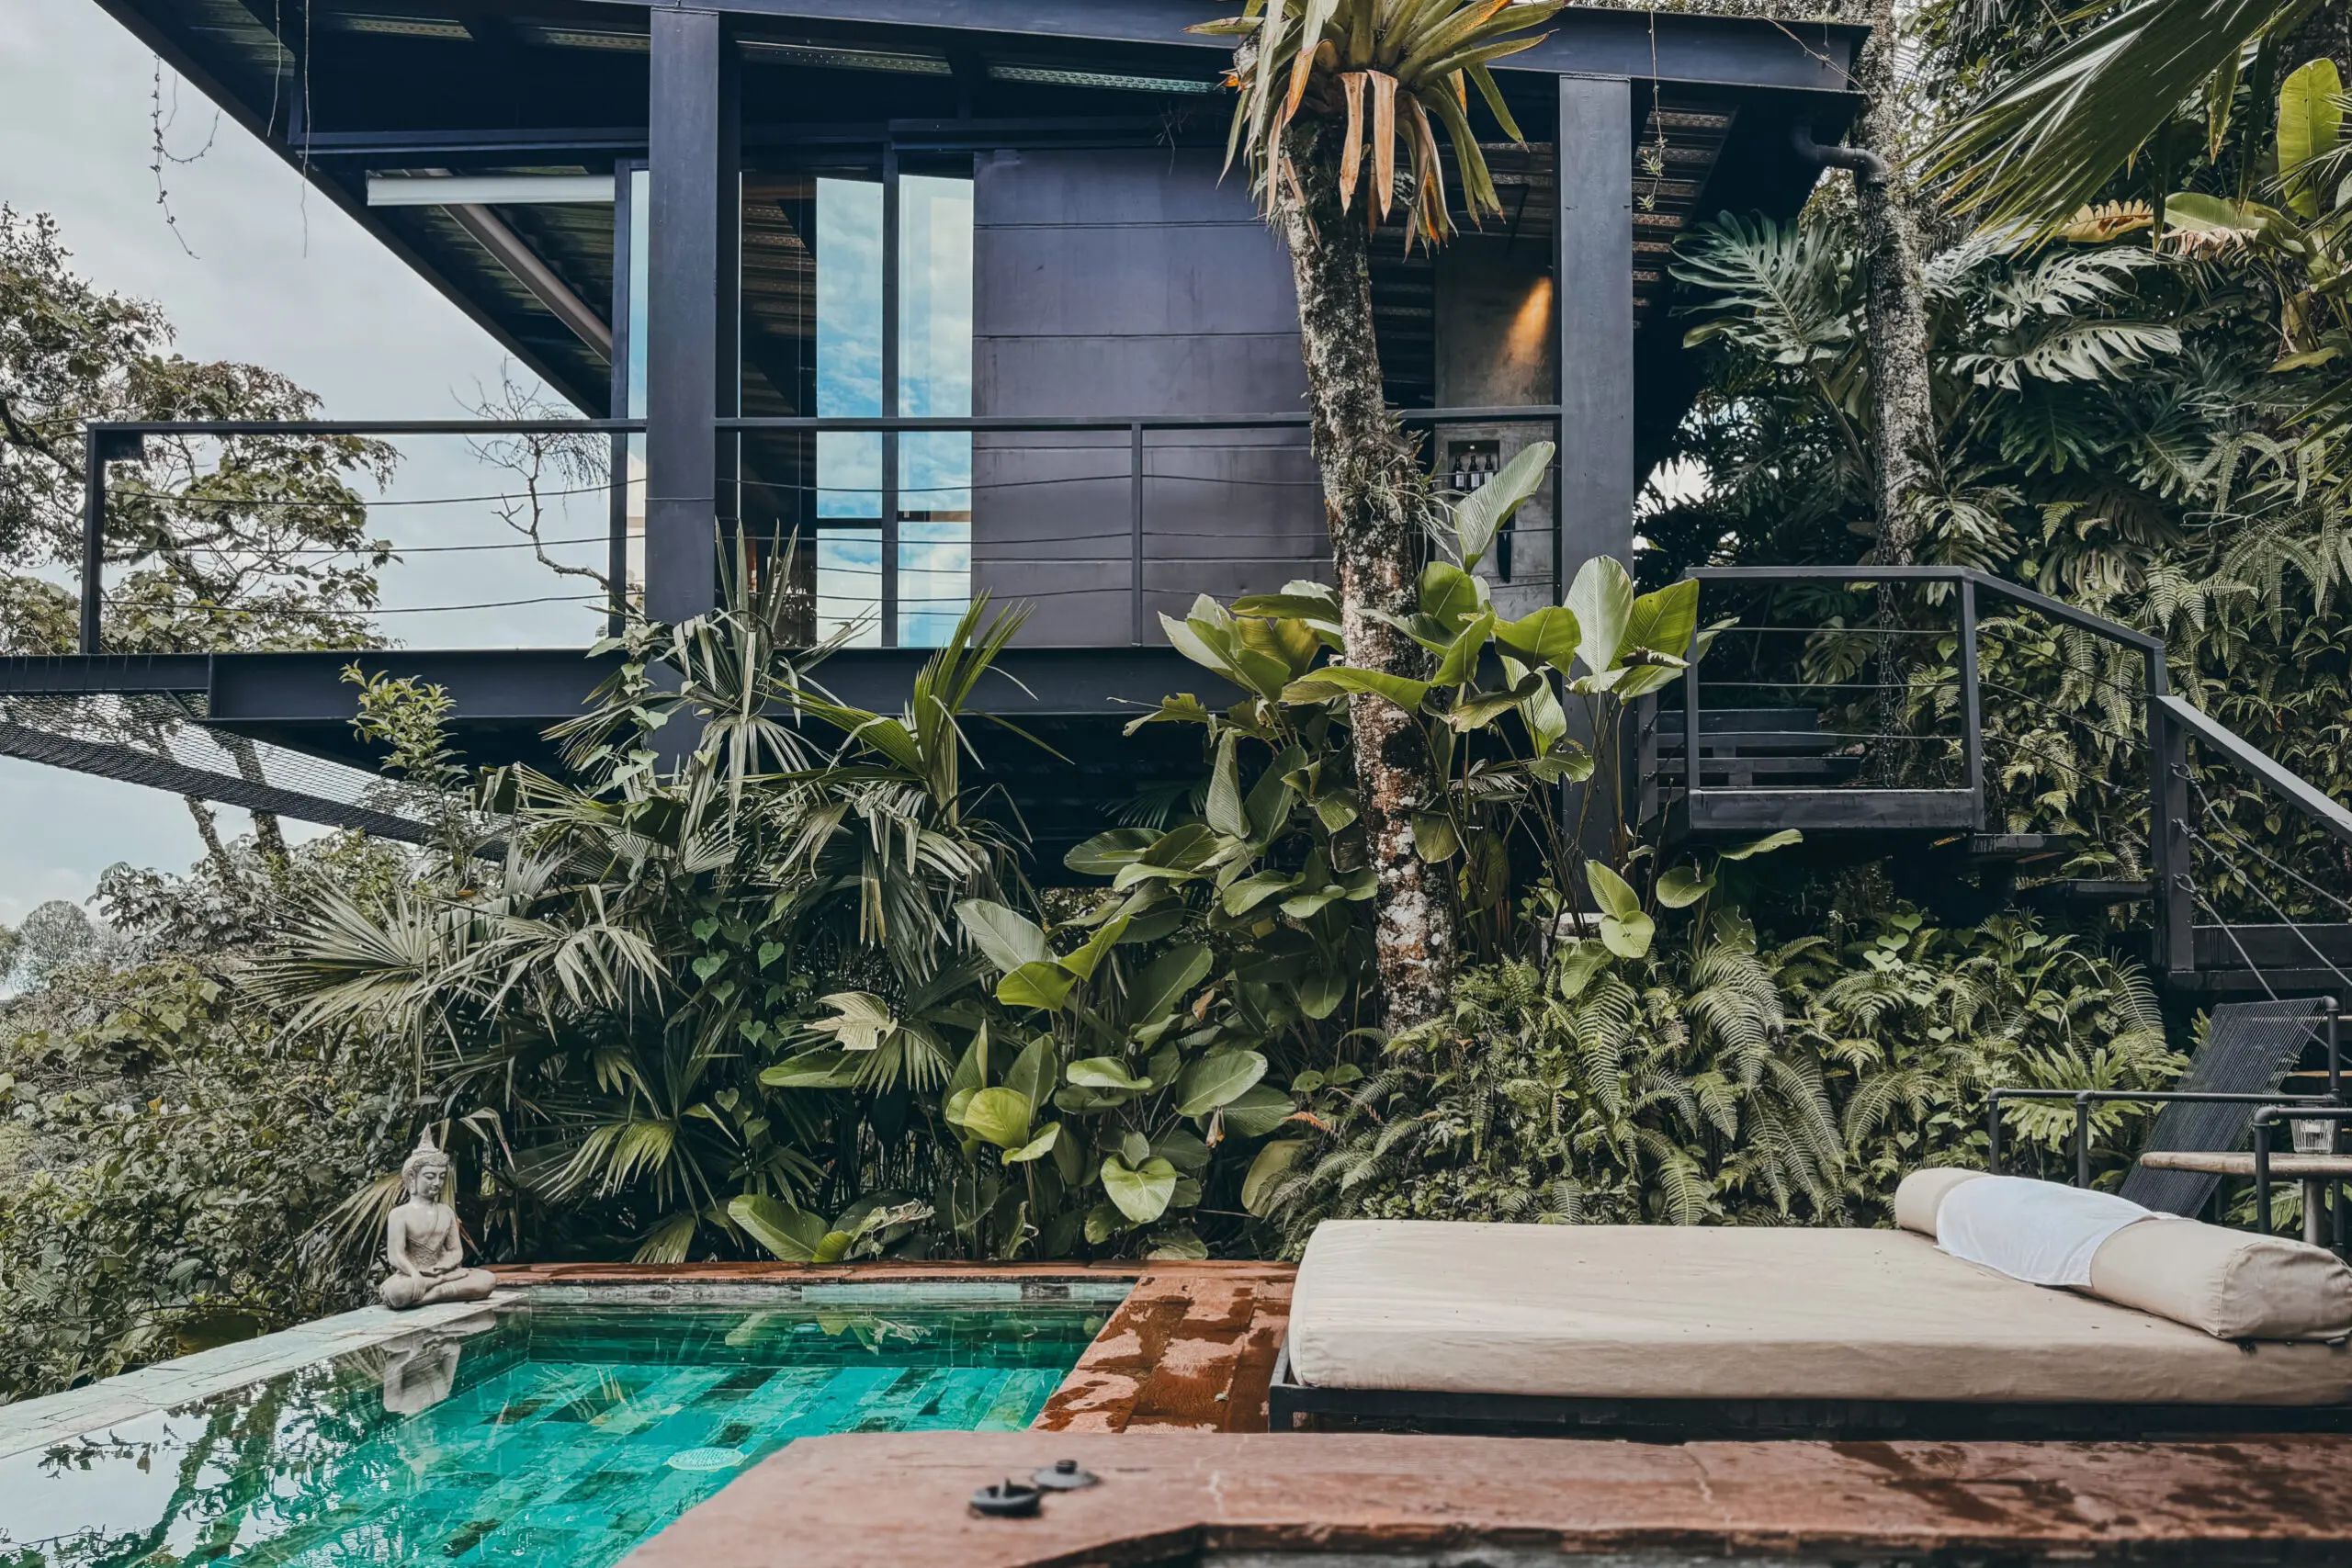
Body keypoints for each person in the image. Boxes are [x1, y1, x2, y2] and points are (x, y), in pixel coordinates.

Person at [379, 1132, 496, 1310]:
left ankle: (435, 1294)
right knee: (397, 1292)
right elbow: (396, 1255)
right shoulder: (399, 1214)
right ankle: (440, 1290)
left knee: (487, 1280)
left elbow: (456, 1252)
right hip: (413, 1275)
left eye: (441, 1177)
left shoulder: (446, 1211)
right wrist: (414, 1274)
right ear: (412, 1178)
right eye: (430, 1176)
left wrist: (441, 1271)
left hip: (444, 1273)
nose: (437, 1183)